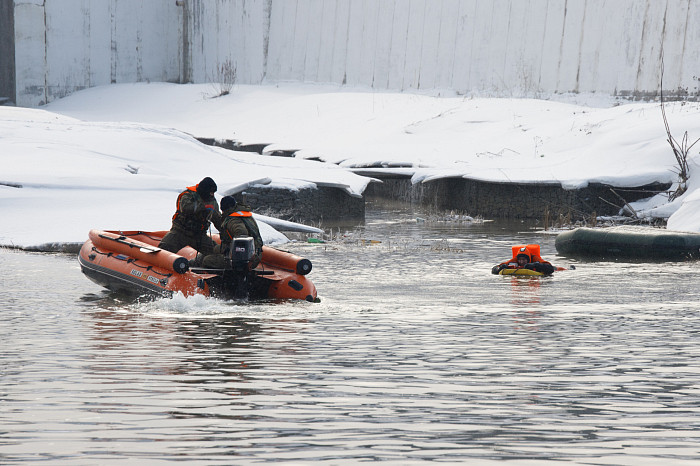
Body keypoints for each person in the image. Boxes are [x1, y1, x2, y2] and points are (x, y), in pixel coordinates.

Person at [159, 177, 222, 263]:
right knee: (163, 250)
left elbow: (217, 218)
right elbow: (185, 208)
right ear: (205, 191)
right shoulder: (187, 195)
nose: (212, 195)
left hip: (199, 235)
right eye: (211, 192)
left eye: (213, 193)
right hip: (180, 232)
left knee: (216, 253)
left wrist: (225, 231)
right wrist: (203, 207)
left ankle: (196, 264)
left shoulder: (212, 201)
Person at [202, 195, 264, 269]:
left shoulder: (233, 220)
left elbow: (242, 236)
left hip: (243, 260)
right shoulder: (244, 215)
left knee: (207, 260)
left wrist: (229, 249)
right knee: (215, 249)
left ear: (224, 209)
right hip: (254, 254)